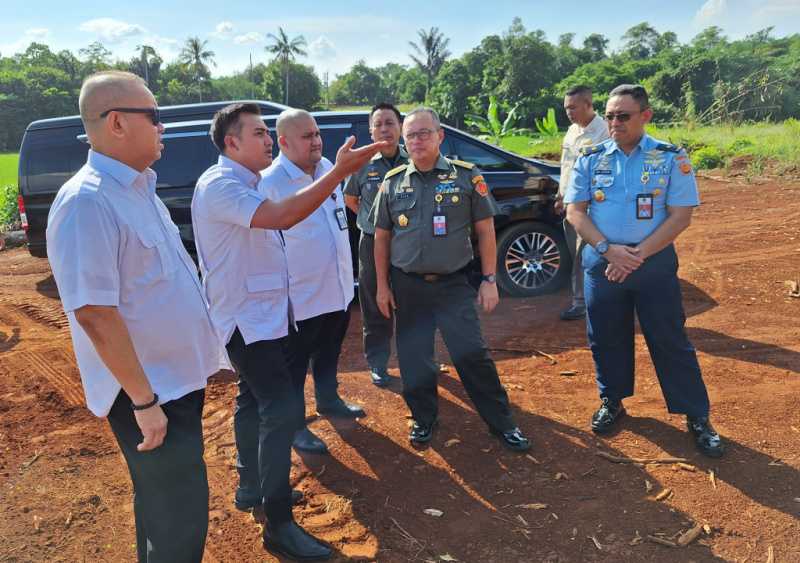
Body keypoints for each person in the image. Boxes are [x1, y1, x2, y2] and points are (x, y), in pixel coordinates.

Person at [46, 71, 229, 562]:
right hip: (148, 392)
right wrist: (145, 403)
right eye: (156, 117)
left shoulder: (137, 189)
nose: (163, 128)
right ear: (118, 122)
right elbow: (94, 313)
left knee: (164, 510)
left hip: (173, 384)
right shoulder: (88, 201)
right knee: (179, 520)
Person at [192, 103, 385, 560]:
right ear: (231, 143)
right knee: (281, 409)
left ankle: (251, 487)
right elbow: (282, 218)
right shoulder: (221, 185)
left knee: (254, 401)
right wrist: (338, 174)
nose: (267, 140)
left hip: (266, 315)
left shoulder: (247, 182)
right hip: (246, 319)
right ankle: (278, 523)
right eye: (259, 133)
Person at [564, 84, 725, 458]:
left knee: (669, 339)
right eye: (609, 116)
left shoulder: (670, 157)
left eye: (623, 115)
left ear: (645, 116)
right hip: (602, 265)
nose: (614, 122)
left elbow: (680, 216)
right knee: (605, 337)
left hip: (652, 265)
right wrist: (608, 251)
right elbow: (576, 212)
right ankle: (613, 401)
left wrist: (635, 256)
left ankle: (696, 416)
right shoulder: (590, 157)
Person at [373, 107, 530, 452]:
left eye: (424, 133)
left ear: (440, 136)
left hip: (453, 284)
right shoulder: (393, 181)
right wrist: (383, 287)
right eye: (411, 135)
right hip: (408, 285)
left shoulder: (466, 176)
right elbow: (381, 237)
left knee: (472, 356)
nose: (417, 140)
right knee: (415, 357)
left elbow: (486, 231)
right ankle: (424, 419)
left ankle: (502, 423)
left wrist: (490, 279)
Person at [260, 109, 365, 456]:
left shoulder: (329, 173)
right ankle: (294, 426)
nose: (316, 140)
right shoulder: (270, 182)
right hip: (299, 298)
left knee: (329, 351)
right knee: (294, 366)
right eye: (307, 136)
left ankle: (328, 399)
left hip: (336, 289)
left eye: (317, 133)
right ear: (284, 142)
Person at [344, 103, 408, 387]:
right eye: (379, 124)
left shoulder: (414, 159)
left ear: (400, 127)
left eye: (390, 123)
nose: (385, 129)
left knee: (411, 302)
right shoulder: (361, 164)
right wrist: (376, 224)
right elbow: (351, 199)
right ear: (371, 131)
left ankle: (414, 360)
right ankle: (379, 363)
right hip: (371, 243)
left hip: (408, 242)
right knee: (374, 303)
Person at [556, 85, 609, 321]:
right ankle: (581, 301)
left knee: (597, 253)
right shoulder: (571, 131)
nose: (568, 112)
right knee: (575, 255)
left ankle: (598, 299)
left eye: (573, 107)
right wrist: (561, 196)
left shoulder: (604, 132)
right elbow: (566, 166)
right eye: (566, 107)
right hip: (571, 204)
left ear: (588, 105)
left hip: (592, 206)